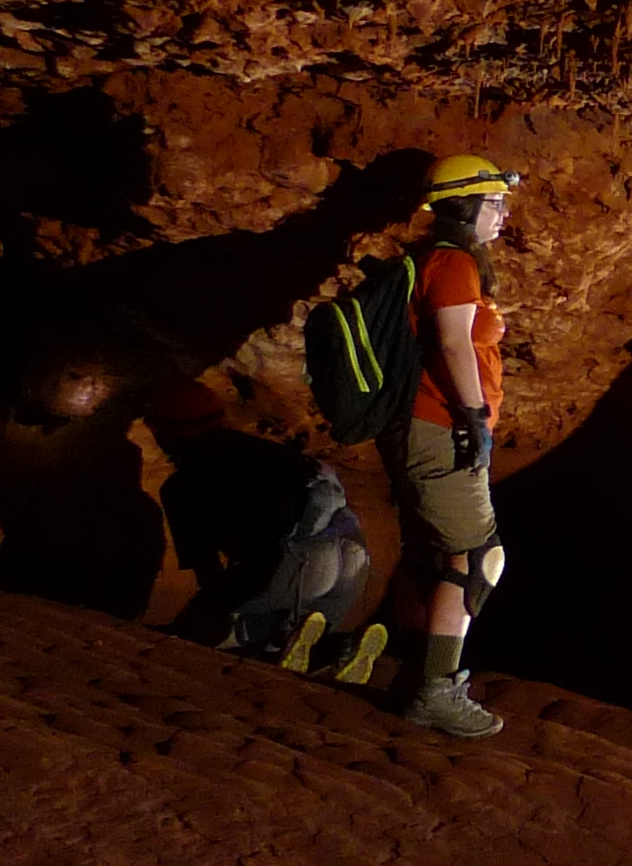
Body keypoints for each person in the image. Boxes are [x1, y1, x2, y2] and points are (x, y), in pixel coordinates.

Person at [390, 153, 520, 737]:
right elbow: (452, 345)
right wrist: (471, 416)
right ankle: (435, 690)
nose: (504, 213)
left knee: (433, 555)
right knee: (478, 556)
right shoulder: (451, 261)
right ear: (467, 205)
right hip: (440, 425)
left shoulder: (447, 260)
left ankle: (412, 672)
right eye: (495, 202)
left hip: (434, 424)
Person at [144, 379, 374, 671]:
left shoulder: (184, 484)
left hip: (294, 563)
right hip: (353, 559)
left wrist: (201, 617)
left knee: (207, 629)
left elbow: (208, 570)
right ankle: (333, 647)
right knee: (289, 621)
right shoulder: (269, 454)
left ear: (166, 431)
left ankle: (276, 639)